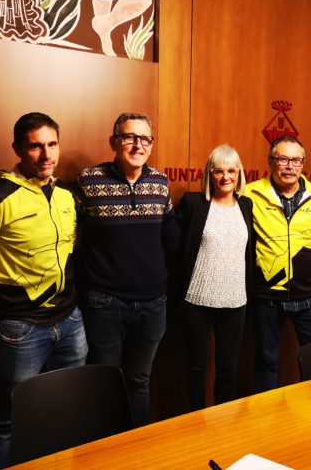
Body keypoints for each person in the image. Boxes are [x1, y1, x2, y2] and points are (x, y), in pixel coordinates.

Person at [0, 112, 87, 469]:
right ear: (17, 149)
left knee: (68, 411)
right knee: (8, 423)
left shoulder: (65, 195)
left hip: (70, 321)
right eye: (35, 146)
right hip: (20, 330)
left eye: (52, 144)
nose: (46, 155)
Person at [74, 112, 177, 426]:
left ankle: (136, 447)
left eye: (145, 138)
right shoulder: (89, 181)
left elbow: (169, 239)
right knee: (106, 382)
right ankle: (104, 449)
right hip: (104, 302)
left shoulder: (160, 182)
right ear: (114, 142)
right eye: (129, 137)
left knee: (139, 380)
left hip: (152, 303)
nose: (137, 145)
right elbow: (73, 240)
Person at [244, 135, 311, 392]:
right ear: (271, 162)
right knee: (266, 362)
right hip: (267, 297)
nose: (290, 166)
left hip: (308, 297)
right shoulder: (250, 193)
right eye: (283, 159)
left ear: (303, 163)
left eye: (296, 160)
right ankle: (267, 413)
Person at [176, 145, 254, 410]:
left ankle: (224, 422)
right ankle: (196, 421)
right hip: (197, 300)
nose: (225, 177)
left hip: (235, 300)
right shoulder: (194, 203)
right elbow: (176, 248)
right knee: (196, 367)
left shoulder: (246, 205)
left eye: (231, 170)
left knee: (228, 369)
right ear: (209, 174)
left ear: (239, 173)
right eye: (219, 171)